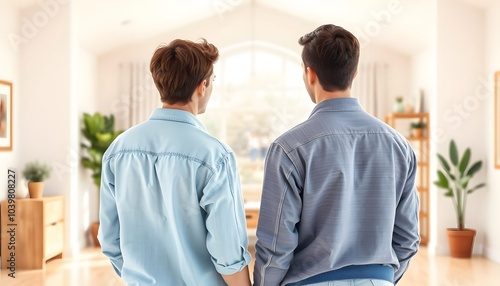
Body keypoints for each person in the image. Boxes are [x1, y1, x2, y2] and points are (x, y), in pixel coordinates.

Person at [253, 24, 420, 286]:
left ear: (309, 74)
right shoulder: (400, 145)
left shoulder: (288, 148)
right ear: (354, 73)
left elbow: (276, 247)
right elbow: (408, 239)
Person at [98, 38, 252, 286]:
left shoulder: (117, 150)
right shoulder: (215, 156)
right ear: (202, 86)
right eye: (212, 81)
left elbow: (110, 241)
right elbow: (228, 253)